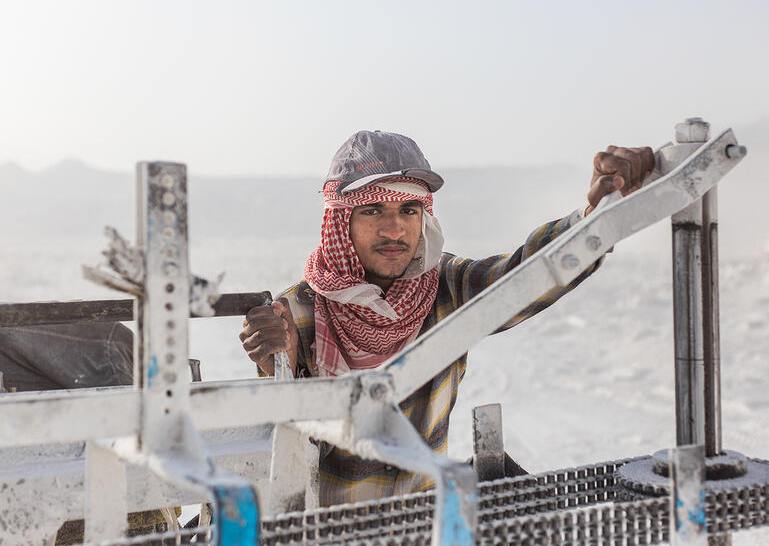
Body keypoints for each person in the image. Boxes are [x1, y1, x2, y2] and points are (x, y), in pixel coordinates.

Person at [239, 130, 653, 506]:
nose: (394, 230)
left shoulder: (443, 290)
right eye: (372, 211)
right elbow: (284, 454)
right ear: (340, 221)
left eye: (408, 209)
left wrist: (597, 219)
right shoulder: (298, 314)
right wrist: (278, 367)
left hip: (427, 524)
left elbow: (526, 275)